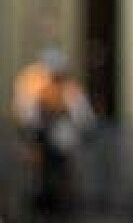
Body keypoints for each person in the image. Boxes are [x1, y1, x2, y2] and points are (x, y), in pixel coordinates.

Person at [13, 47, 96, 217]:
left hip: (59, 140)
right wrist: (31, 138)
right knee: (39, 176)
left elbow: (82, 114)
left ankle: (59, 204)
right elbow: (27, 114)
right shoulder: (33, 82)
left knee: (60, 173)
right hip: (40, 138)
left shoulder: (67, 87)